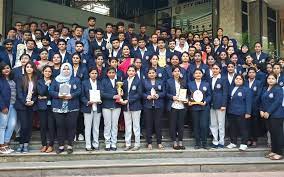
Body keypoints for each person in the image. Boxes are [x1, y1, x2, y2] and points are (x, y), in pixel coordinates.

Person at [49, 63, 81, 154]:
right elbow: (51, 91)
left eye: (68, 69)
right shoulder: (56, 80)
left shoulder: (76, 80)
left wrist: (72, 95)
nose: (66, 71)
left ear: (71, 70)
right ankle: (61, 145)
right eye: (64, 69)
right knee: (60, 126)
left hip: (72, 106)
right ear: (61, 70)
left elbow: (79, 91)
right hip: (58, 107)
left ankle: (70, 145)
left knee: (71, 126)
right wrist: (58, 95)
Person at [15, 61, 38, 153]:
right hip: (22, 106)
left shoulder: (36, 79)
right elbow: (19, 93)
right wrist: (25, 102)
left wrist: (33, 101)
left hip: (32, 106)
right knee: (24, 126)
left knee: (29, 126)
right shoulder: (20, 78)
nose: (29, 68)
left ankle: (26, 145)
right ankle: (21, 144)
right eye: (27, 67)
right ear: (25, 68)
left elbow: (37, 93)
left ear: (33, 68)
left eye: (31, 67)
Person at [260, 73, 284, 160]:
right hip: (267, 115)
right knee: (272, 134)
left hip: (276, 115)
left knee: (278, 134)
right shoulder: (265, 88)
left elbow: (277, 102)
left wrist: (268, 112)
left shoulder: (278, 89)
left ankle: (279, 153)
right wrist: (261, 110)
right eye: (269, 78)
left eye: (273, 78)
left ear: (276, 79)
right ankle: (274, 151)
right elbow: (262, 100)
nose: (270, 80)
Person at [226, 75, 252, 151]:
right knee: (232, 128)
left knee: (243, 128)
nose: (238, 80)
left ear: (243, 81)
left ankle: (244, 143)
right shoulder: (231, 88)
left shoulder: (247, 90)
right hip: (231, 112)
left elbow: (249, 102)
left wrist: (248, 112)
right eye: (236, 79)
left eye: (240, 79)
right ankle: (233, 142)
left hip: (242, 112)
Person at [187, 68, 211, 149]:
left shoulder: (206, 84)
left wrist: (206, 101)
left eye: (199, 73)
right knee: (196, 125)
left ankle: (204, 143)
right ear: (193, 75)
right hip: (194, 107)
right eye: (196, 73)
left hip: (204, 107)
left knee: (204, 125)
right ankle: (197, 143)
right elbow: (187, 95)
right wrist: (188, 101)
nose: (198, 74)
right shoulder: (190, 84)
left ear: (202, 74)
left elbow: (209, 95)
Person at [142, 67, 165, 150]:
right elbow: (141, 92)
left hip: (158, 105)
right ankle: (149, 143)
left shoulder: (160, 81)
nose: (151, 74)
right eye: (150, 73)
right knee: (149, 124)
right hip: (148, 105)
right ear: (147, 74)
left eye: (153, 73)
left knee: (158, 124)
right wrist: (146, 96)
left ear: (156, 74)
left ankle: (159, 142)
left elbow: (164, 92)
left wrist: (158, 95)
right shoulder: (144, 82)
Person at [81, 68, 102, 151]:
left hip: (97, 107)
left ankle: (96, 144)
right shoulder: (84, 83)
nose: (94, 75)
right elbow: (82, 96)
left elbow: (102, 93)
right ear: (89, 74)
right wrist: (87, 102)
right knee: (88, 127)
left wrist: (100, 100)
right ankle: (88, 145)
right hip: (88, 107)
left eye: (95, 73)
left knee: (96, 127)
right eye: (92, 73)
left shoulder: (100, 83)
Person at [101, 67, 122, 151]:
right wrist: (113, 96)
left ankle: (114, 142)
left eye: (113, 72)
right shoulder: (103, 81)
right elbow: (102, 93)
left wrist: (121, 93)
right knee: (107, 124)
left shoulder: (119, 82)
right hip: (106, 106)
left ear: (115, 73)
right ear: (107, 73)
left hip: (116, 106)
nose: (111, 74)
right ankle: (107, 143)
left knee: (115, 125)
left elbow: (122, 92)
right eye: (110, 72)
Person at [166, 66, 187, 150]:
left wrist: (186, 99)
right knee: (173, 124)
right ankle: (174, 142)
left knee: (181, 125)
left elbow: (187, 93)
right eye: (175, 71)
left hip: (182, 106)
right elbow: (166, 93)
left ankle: (180, 142)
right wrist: (172, 97)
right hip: (173, 106)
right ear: (172, 73)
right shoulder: (168, 81)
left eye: (178, 71)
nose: (177, 72)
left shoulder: (183, 81)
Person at [122, 65, 142, 151]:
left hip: (136, 106)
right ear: (127, 72)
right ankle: (128, 143)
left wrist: (128, 100)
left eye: (133, 71)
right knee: (127, 126)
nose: (131, 72)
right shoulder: (124, 82)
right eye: (129, 70)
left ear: (135, 72)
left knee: (136, 126)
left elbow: (139, 94)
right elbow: (123, 94)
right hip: (126, 107)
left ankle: (137, 144)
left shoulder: (138, 81)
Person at [209, 63, 228, 148]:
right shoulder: (210, 79)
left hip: (220, 105)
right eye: (213, 68)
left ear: (220, 70)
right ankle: (215, 141)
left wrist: (224, 104)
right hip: (212, 105)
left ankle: (221, 141)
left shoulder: (223, 79)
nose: (215, 70)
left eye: (217, 68)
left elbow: (225, 93)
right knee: (213, 124)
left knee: (221, 124)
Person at [37, 65, 55, 153]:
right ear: (43, 72)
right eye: (46, 71)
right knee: (43, 126)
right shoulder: (39, 81)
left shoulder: (54, 81)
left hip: (51, 107)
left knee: (51, 126)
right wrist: (46, 84)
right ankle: (44, 144)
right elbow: (40, 92)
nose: (47, 73)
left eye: (49, 71)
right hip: (42, 107)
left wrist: (45, 97)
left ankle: (51, 145)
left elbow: (54, 94)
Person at [0, 62, 17, 154]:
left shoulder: (12, 79)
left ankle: (6, 143)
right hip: (5, 106)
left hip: (13, 105)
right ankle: (1, 145)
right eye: (4, 68)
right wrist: (2, 107)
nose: (6, 70)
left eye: (7, 68)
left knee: (12, 124)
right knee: (2, 126)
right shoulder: (0, 80)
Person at [245, 67, 262, 148]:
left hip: (255, 107)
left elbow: (258, 95)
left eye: (253, 72)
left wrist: (251, 103)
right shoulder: (244, 82)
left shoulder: (259, 82)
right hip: (245, 107)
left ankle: (255, 140)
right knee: (247, 124)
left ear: (255, 74)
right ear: (248, 74)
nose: (251, 74)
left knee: (255, 124)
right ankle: (248, 139)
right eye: (250, 72)